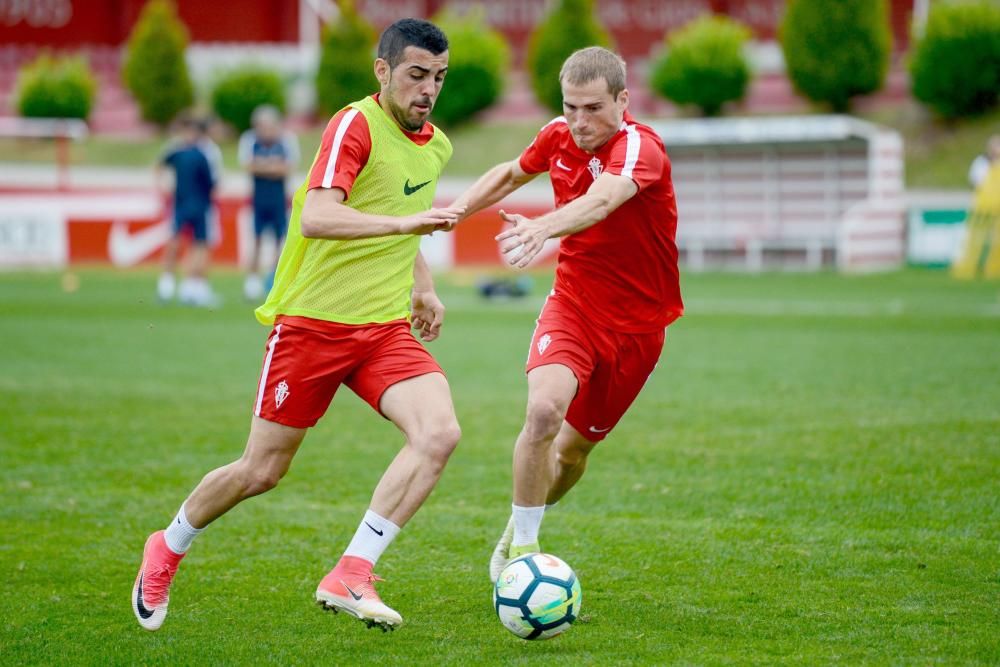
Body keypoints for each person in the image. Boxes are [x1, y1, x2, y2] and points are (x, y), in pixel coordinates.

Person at [132, 18, 464, 632]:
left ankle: (352, 572)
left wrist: (424, 285)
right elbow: (318, 215)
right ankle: (169, 544)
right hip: (312, 327)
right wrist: (405, 227)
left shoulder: (436, 145)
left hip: (383, 329)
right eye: (417, 75)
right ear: (383, 71)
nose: (428, 90)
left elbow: (402, 218)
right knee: (262, 470)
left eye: (439, 78)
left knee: (439, 433)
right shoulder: (354, 125)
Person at [449, 46, 684, 581]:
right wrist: (454, 213)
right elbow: (511, 173)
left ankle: (522, 524)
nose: (580, 121)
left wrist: (542, 226)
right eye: (571, 106)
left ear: (623, 101)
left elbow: (603, 201)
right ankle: (525, 553)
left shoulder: (640, 148)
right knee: (543, 414)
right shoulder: (558, 133)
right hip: (573, 306)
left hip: (638, 330)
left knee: (574, 453)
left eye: (594, 108)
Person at [155, 112, 223, 307]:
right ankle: (166, 286)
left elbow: (214, 182)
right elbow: (160, 166)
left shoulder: (207, 151)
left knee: (200, 244)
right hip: (182, 204)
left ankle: (192, 287)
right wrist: (162, 189)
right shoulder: (179, 149)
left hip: (202, 205)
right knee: (176, 242)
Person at [238, 105, 300, 301]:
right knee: (255, 239)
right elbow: (248, 165)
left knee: (280, 240)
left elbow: (287, 168)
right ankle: (252, 280)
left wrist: (263, 165)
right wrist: (272, 165)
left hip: (279, 198)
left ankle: (273, 278)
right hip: (258, 198)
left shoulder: (287, 140)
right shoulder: (249, 139)